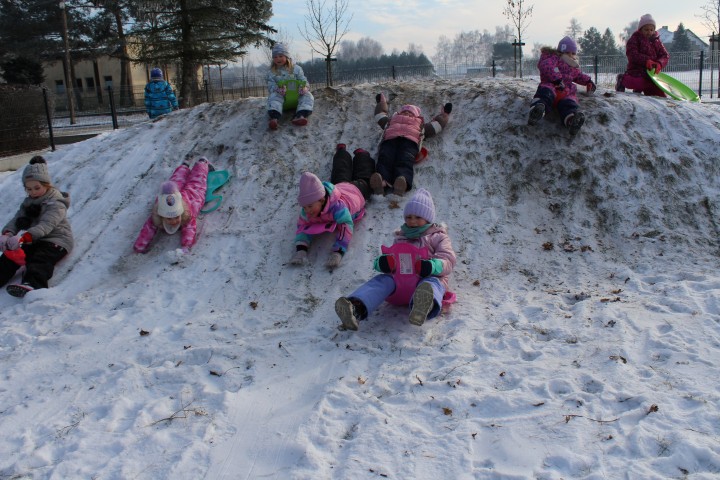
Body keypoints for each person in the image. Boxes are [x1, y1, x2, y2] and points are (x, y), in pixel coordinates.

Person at [334, 188, 456, 330]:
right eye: (409, 217)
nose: (412, 221)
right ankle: (356, 308)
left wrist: (432, 266)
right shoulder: (401, 237)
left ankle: (423, 307)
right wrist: (383, 263)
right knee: (382, 281)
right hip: (401, 282)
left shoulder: (438, 237)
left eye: (418, 217)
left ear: (428, 218)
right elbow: (392, 258)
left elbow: (448, 260)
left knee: (431, 284)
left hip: (425, 279)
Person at [290, 144, 373, 270]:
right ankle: (341, 152)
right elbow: (302, 228)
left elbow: (346, 226)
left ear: (322, 199)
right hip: (339, 186)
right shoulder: (307, 210)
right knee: (340, 171)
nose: (307, 210)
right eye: (304, 207)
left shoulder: (338, 208)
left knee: (364, 177)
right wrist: (301, 250)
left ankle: (362, 155)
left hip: (356, 190)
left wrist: (338, 251)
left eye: (310, 206)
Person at [0, 156, 74, 297]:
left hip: (56, 240)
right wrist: (8, 233)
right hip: (34, 239)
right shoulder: (28, 202)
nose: (33, 192)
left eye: (37, 188)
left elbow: (47, 224)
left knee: (40, 259)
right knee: (10, 254)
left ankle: (33, 284)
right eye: (28, 189)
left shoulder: (56, 202)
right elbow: (17, 218)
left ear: (47, 184)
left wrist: (25, 237)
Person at [369, 95, 450, 196]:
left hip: (409, 142)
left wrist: (444, 115)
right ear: (399, 113)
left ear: (416, 115)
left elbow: (436, 126)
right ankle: (381, 182)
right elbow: (380, 116)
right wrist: (382, 103)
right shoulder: (391, 120)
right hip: (390, 140)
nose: (407, 112)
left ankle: (401, 182)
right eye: (404, 111)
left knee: (404, 160)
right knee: (385, 158)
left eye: (410, 112)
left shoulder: (420, 124)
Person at [134, 157, 211, 254]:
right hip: (169, 197)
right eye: (169, 219)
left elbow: (190, 229)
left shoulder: (187, 214)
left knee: (196, 184)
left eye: (176, 217)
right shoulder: (157, 215)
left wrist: (186, 246)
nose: (174, 221)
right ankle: (184, 167)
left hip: (189, 198)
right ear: (162, 216)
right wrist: (139, 247)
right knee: (176, 181)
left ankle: (201, 164)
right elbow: (147, 230)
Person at [527, 36, 596, 136]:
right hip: (552, 86)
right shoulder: (553, 58)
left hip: (565, 92)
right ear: (561, 51)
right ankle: (537, 110)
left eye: (573, 53)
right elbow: (547, 66)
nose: (570, 55)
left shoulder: (573, 66)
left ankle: (572, 120)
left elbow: (578, 76)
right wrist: (556, 79)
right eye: (567, 52)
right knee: (545, 93)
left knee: (569, 103)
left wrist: (588, 81)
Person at [616, 14, 670, 97]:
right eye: (646, 30)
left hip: (651, 73)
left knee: (659, 93)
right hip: (636, 70)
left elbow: (665, 55)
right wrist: (646, 61)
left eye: (651, 30)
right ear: (641, 29)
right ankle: (622, 79)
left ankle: (648, 94)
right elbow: (632, 54)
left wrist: (659, 63)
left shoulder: (657, 41)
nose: (649, 32)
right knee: (639, 83)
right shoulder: (635, 39)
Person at [266, 43, 314, 130]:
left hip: (296, 97)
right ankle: (274, 118)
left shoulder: (296, 69)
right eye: (275, 57)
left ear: (286, 56)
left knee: (308, 96)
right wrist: (277, 89)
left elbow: (303, 80)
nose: (278, 59)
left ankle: (301, 115)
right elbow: (270, 85)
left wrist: (304, 87)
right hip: (282, 98)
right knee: (274, 97)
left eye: (280, 56)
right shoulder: (271, 72)